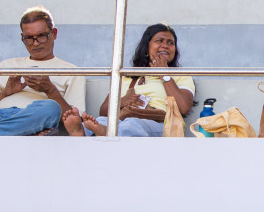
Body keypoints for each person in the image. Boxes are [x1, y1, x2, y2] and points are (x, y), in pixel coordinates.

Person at [0, 8, 85, 137]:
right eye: (29, 38)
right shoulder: (6, 65)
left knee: (51, 107)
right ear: (22, 37)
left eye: (41, 36)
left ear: (54, 33)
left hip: (36, 116)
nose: (35, 44)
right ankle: (25, 131)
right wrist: (5, 93)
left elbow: (77, 121)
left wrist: (50, 90)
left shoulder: (72, 72)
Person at [64, 23, 193, 137]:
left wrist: (164, 74)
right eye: (159, 41)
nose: (165, 46)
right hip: (124, 120)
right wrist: (123, 101)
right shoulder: (127, 76)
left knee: (132, 125)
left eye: (170, 43)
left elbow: (183, 108)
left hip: (160, 125)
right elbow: (103, 111)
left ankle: (103, 132)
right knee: (102, 121)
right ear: (146, 47)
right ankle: (81, 132)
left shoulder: (180, 75)